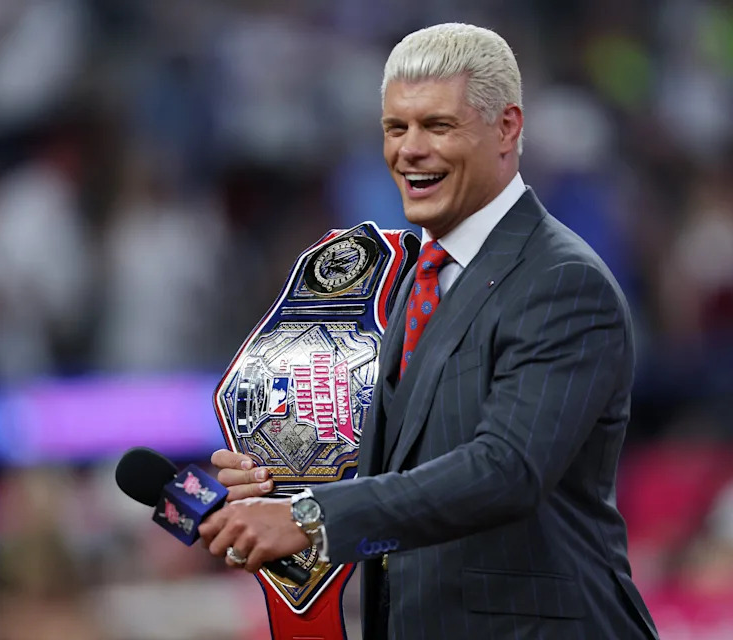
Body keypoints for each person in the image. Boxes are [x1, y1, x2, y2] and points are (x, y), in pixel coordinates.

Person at [199, 23, 659, 639]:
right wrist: (284, 485)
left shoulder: (562, 281)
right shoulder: (415, 277)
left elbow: (507, 470)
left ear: (507, 128)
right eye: (396, 128)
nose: (409, 149)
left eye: (437, 126)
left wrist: (311, 518)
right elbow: (414, 464)